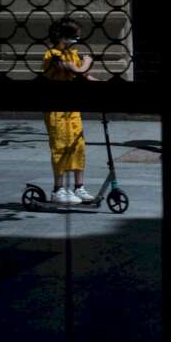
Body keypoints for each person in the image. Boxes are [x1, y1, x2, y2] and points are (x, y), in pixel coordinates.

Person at [42, 18, 98, 205]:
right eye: (74, 36)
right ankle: (58, 190)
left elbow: (85, 76)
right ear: (61, 36)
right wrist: (87, 61)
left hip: (72, 109)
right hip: (56, 110)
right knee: (60, 146)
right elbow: (77, 70)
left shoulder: (72, 53)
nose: (77, 40)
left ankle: (79, 187)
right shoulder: (53, 55)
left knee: (78, 145)